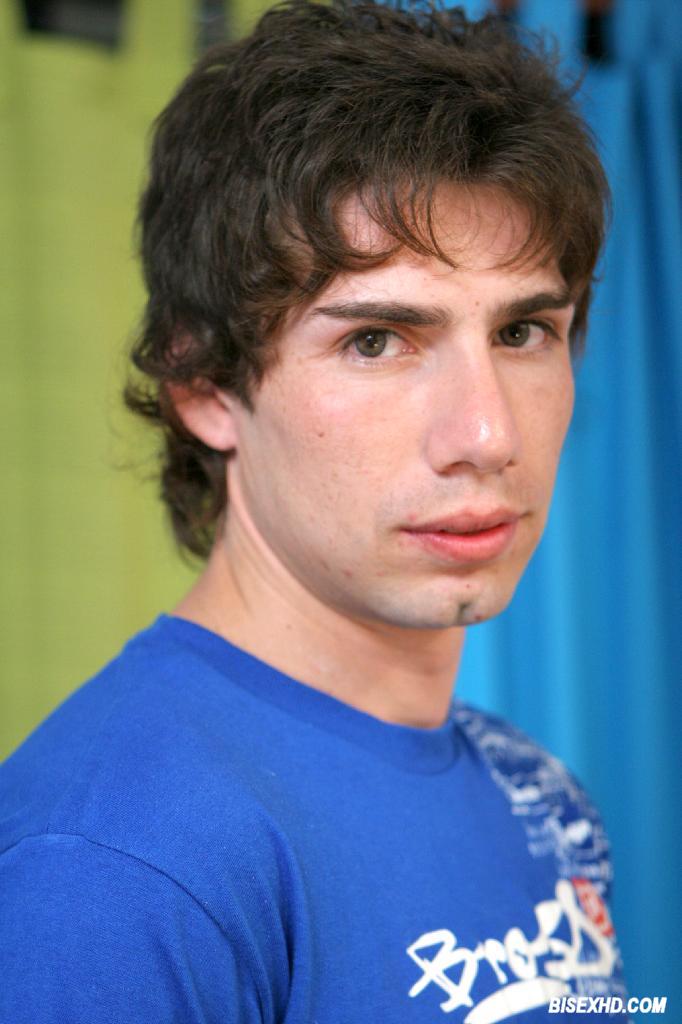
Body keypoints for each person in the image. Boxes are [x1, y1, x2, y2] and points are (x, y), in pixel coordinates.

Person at [0, 2, 629, 1021]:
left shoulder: (543, 800)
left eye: (522, 332)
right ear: (202, 383)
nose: (486, 433)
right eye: (376, 341)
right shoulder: (114, 868)